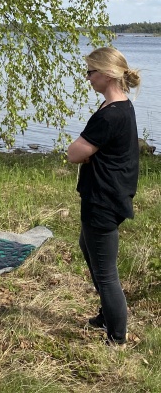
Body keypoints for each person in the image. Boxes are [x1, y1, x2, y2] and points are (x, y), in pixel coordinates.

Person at [67, 47, 140, 348]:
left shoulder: (110, 115)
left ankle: (117, 338)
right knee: (89, 248)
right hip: (110, 195)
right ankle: (106, 315)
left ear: (107, 74)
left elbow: (73, 153)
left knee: (106, 272)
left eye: (90, 72)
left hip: (103, 199)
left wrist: (86, 156)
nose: (87, 78)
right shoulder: (121, 107)